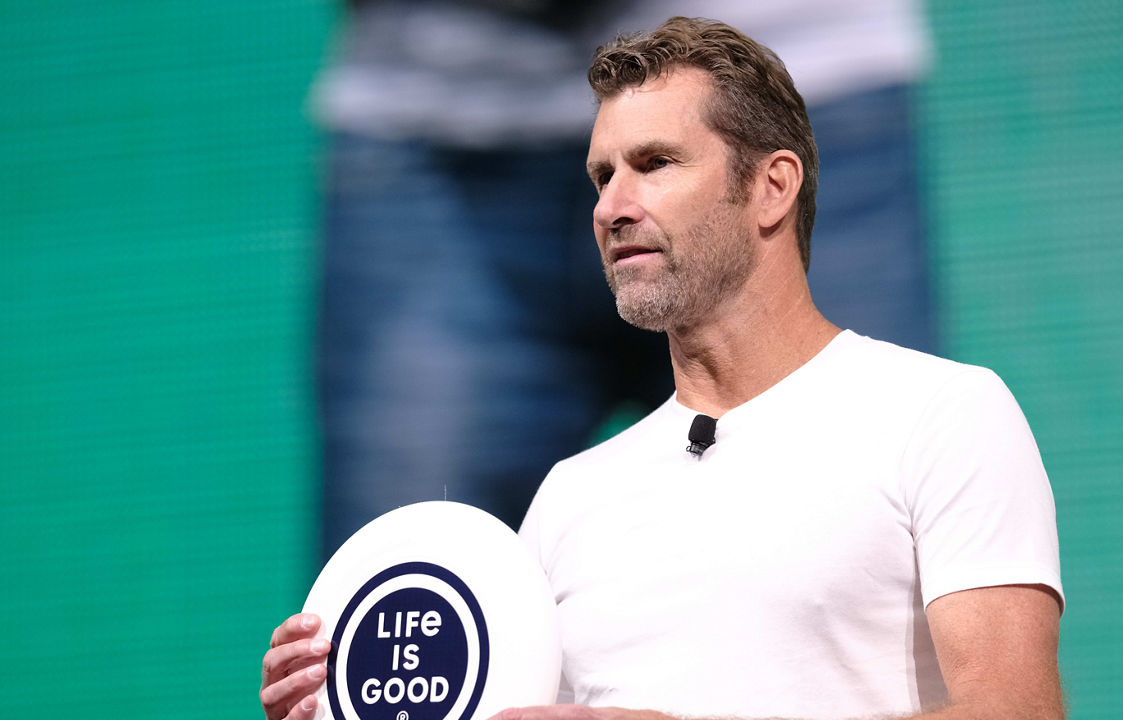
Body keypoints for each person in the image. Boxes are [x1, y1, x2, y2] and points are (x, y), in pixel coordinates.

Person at [263, 17, 1064, 720]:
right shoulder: (569, 500)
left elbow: (1018, 711)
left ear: (772, 187)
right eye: (602, 176)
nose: (612, 207)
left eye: (655, 163)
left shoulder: (941, 415)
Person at [315, 0, 935, 553]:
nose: (612, 208)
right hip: (427, 122)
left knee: (860, 554)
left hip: (801, 76)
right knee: (402, 610)